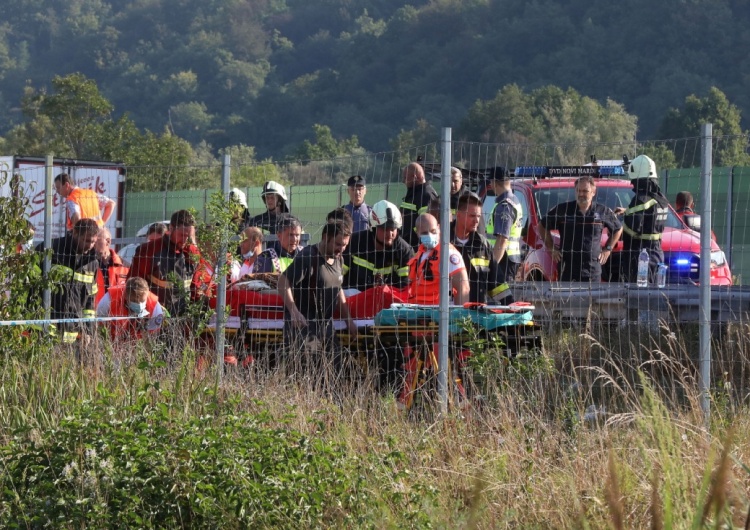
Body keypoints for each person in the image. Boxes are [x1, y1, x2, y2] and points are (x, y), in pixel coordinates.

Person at [277, 220, 356, 365]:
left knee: (336, 370)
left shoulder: (339, 260)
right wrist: (294, 311)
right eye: (338, 244)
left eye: (345, 245)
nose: (342, 249)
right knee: (310, 372)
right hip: (304, 326)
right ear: (326, 237)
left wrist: (349, 321)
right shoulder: (308, 257)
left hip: (326, 325)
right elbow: (283, 281)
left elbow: (338, 290)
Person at [538, 175, 622, 282]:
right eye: (578, 190)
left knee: (591, 299)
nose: (581, 194)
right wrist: (551, 247)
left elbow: (618, 229)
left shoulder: (602, 211)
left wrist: (608, 249)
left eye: (585, 191)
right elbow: (541, 226)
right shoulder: (563, 210)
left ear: (593, 192)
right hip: (567, 270)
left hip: (592, 271)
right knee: (567, 299)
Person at [342, 200, 414, 316]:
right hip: (354, 304)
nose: (390, 233)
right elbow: (337, 277)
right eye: (384, 229)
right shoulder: (355, 243)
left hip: (389, 308)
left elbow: (404, 288)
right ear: (374, 228)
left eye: (393, 229)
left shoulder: (404, 251)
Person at [35, 219, 100, 344]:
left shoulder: (92, 262)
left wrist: (88, 331)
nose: (90, 245)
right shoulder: (51, 250)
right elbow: (31, 286)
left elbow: (90, 302)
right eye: (86, 240)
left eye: (93, 242)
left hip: (74, 335)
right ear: (75, 233)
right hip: (45, 330)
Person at [127, 209, 200, 317]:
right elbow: (134, 286)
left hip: (183, 320)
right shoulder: (150, 250)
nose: (185, 240)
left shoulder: (192, 253)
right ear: (171, 228)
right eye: (181, 235)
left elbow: (197, 287)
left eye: (188, 236)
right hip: (154, 316)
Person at [617, 155, 670, 283]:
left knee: (639, 297)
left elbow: (632, 228)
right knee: (654, 294)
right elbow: (648, 216)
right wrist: (627, 211)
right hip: (657, 253)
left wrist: (616, 225)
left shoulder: (640, 199)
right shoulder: (660, 199)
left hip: (640, 256)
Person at [408, 213, 469, 306]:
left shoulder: (448, 253)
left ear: (438, 228)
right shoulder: (420, 253)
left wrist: (459, 318)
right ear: (417, 232)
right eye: (424, 233)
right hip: (420, 313)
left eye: (433, 231)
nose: (429, 235)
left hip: (441, 315)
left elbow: (463, 288)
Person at [486, 167, 523, 303]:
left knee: (502, 303)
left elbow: (502, 240)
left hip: (503, 261)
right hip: (508, 259)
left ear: (494, 182)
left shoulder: (504, 206)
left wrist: (491, 267)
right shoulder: (514, 200)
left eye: (490, 182)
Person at [450, 193, 494, 304]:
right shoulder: (443, 242)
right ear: (459, 215)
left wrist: (511, 307)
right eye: (472, 216)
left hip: (477, 314)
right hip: (447, 314)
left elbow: (497, 283)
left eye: (479, 216)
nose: (477, 221)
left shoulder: (482, 245)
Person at [96, 277, 164, 341]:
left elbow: (152, 337)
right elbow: (98, 325)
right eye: (134, 301)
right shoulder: (109, 299)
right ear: (125, 295)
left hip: (138, 346)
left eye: (142, 301)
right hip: (112, 343)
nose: (139, 304)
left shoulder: (155, 307)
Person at [400, 163, 439, 249]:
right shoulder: (414, 193)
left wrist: (412, 235)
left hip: (417, 247)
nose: (403, 181)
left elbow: (427, 223)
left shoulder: (425, 195)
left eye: (405, 178)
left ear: (414, 177)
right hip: (408, 245)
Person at [94, 227, 129, 306]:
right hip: (94, 315)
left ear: (108, 241)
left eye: (96, 241)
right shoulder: (87, 265)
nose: (93, 244)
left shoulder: (126, 267)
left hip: (118, 315)